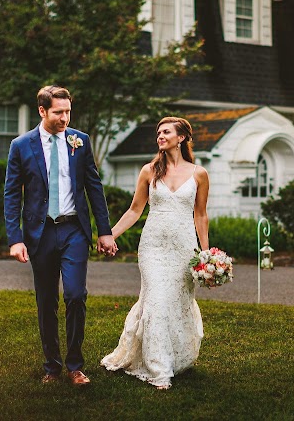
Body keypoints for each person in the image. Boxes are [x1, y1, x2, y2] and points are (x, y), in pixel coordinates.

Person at [4, 85, 117, 387]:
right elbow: (12, 194)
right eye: (58, 112)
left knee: (76, 295)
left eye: (68, 111)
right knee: (46, 300)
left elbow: (94, 187)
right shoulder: (21, 145)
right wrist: (15, 238)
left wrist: (104, 232)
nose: (65, 118)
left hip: (73, 230)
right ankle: (52, 366)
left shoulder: (80, 141)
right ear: (42, 111)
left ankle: (75, 365)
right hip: (40, 233)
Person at [101, 116, 209, 389]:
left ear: (181, 137)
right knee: (158, 301)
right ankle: (159, 369)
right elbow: (135, 210)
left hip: (184, 248)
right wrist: (109, 235)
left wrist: (206, 254)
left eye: (166, 132)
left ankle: (176, 357)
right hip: (153, 247)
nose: (160, 136)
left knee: (175, 303)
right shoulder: (149, 171)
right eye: (158, 132)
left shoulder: (199, 174)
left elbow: (201, 215)